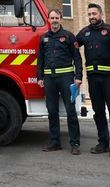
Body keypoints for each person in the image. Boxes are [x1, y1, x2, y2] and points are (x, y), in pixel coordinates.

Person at [76, 3, 110, 157]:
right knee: (98, 112)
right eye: (89, 14)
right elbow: (72, 43)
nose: (92, 17)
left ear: (101, 14)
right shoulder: (84, 33)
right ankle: (103, 143)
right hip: (93, 80)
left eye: (94, 14)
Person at [37, 9, 83, 154]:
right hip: (49, 79)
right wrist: (39, 77)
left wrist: (78, 77)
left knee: (70, 111)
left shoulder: (69, 36)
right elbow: (40, 59)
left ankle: (75, 144)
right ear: (48, 20)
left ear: (60, 19)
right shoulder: (43, 38)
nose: (54, 20)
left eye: (57, 17)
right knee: (52, 111)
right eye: (52, 18)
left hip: (66, 78)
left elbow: (77, 58)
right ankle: (55, 142)